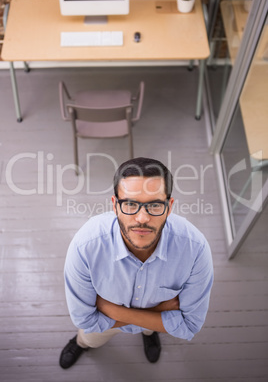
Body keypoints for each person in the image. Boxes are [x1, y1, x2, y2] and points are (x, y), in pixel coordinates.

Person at [59, 157, 213, 369]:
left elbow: (190, 325)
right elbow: (85, 322)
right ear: (115, 205)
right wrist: (160, 312)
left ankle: (149, 333)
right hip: (146, 319)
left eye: (155, 205)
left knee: (148, 328)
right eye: (130, 204)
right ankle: (80, 343)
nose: (142, 218)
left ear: (169, 207)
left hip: (110, 317)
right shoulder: (85, 247)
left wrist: (111, 310)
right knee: (89, 337)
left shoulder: (195, 250)